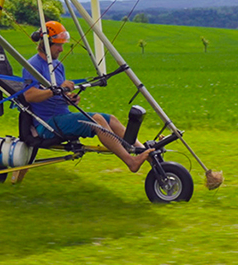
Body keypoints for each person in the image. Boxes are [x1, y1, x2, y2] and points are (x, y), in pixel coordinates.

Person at [21, 21, 152, 172]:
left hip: (63, 116)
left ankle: (145, 153)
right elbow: (29, 96)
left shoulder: (58, 65)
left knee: (111, 119)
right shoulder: (32, 65)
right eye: (58, 45)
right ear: (46, 43)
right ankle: (131, 161)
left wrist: (68, 97)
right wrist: (57, 90)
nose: (62, 49)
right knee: (97, 120)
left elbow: (57, 93)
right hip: (47, 124)